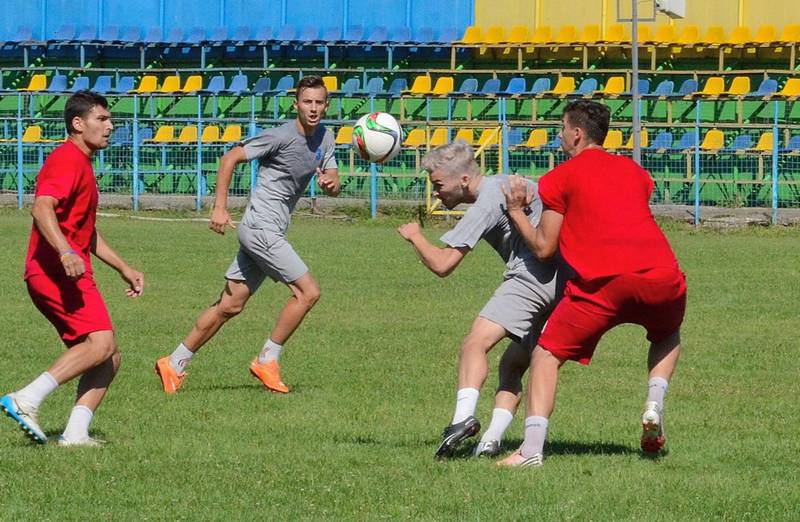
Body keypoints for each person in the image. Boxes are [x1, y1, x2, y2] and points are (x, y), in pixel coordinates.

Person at [497, 100, 687, 467]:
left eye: (561, 129)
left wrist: (516, 211)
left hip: (603, 283)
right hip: (663, 274)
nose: (559, 136)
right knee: (667, 334)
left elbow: (544, 248)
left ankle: (530, 451)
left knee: (545, 356)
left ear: (577, 134)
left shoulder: (559, 178)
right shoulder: (635, 172)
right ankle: (654, 403)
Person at [155, 76, 339, 395]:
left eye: (318, 102)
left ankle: (174, 362)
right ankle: (267, 360)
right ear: (295, 104)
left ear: (327, 106)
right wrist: (219, 207)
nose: (313, 108)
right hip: (260, 228)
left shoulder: (326, 138)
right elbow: (230, 158)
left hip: (269, 230)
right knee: (308, 293)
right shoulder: (280, 136)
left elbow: (332, 177)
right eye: (307, 101)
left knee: (230, 304)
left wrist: (331, 185)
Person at [397, 139, 566, 458]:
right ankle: (490, 441)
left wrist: (415, 237)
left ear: (463, 179)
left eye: (439, 184)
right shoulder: (505, 183)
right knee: (513, 364)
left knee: (474, 344)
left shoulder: (487, 198)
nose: (436, 192)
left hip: (533, 277)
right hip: (562, 283)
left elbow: (443, 264)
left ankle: (462, 419)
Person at [1, 90, 144, 446]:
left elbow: (85, 230)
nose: (110, 126)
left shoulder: (82, 163)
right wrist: (65, 252)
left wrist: (123, 267)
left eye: (110, 119)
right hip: (56, 272)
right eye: (102, 119)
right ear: (78, 124)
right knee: (102, 343)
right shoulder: (66, 159)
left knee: (108, 357)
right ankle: (26, 398)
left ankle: (76, 433)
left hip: (67, 271)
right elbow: (41, 207)